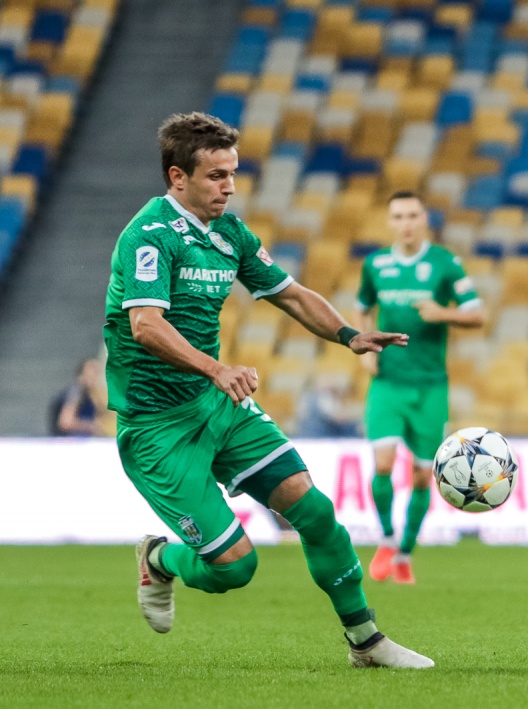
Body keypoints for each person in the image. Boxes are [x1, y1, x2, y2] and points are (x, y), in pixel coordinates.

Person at [103, 112, 432, 668]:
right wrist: (216, 368)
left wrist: (349, 336)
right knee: (234, 567)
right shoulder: (148, 236)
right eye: (216, 176)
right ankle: (159, 559)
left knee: (316, 512)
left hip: (219, 407)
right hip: (157, 426)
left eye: (233, 173)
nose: (229, 186)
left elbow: (292, 294)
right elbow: (146, 326)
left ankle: (366, 642)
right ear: (178, 177)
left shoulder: (230, 233)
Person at [356, 191, 484, 584]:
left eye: (412, 215)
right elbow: (363, 307)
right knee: (382, 463)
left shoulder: (445, 263)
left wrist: (443, 313)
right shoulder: (375, 264)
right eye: (398, 216)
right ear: (389, 222)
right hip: (388, 383)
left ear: (424, 219)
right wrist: (365, 348)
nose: (406, 223)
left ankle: (405, 554)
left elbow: (477, 314)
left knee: (422, 477)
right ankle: (387, 540)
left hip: (430, 387)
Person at [50, 357, 110, 436]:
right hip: (67, 439)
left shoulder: (89, 394)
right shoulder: (75, 392)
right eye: (93, 371)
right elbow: (66, 422)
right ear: (82, 374)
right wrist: (91, 426)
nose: (96, 376)